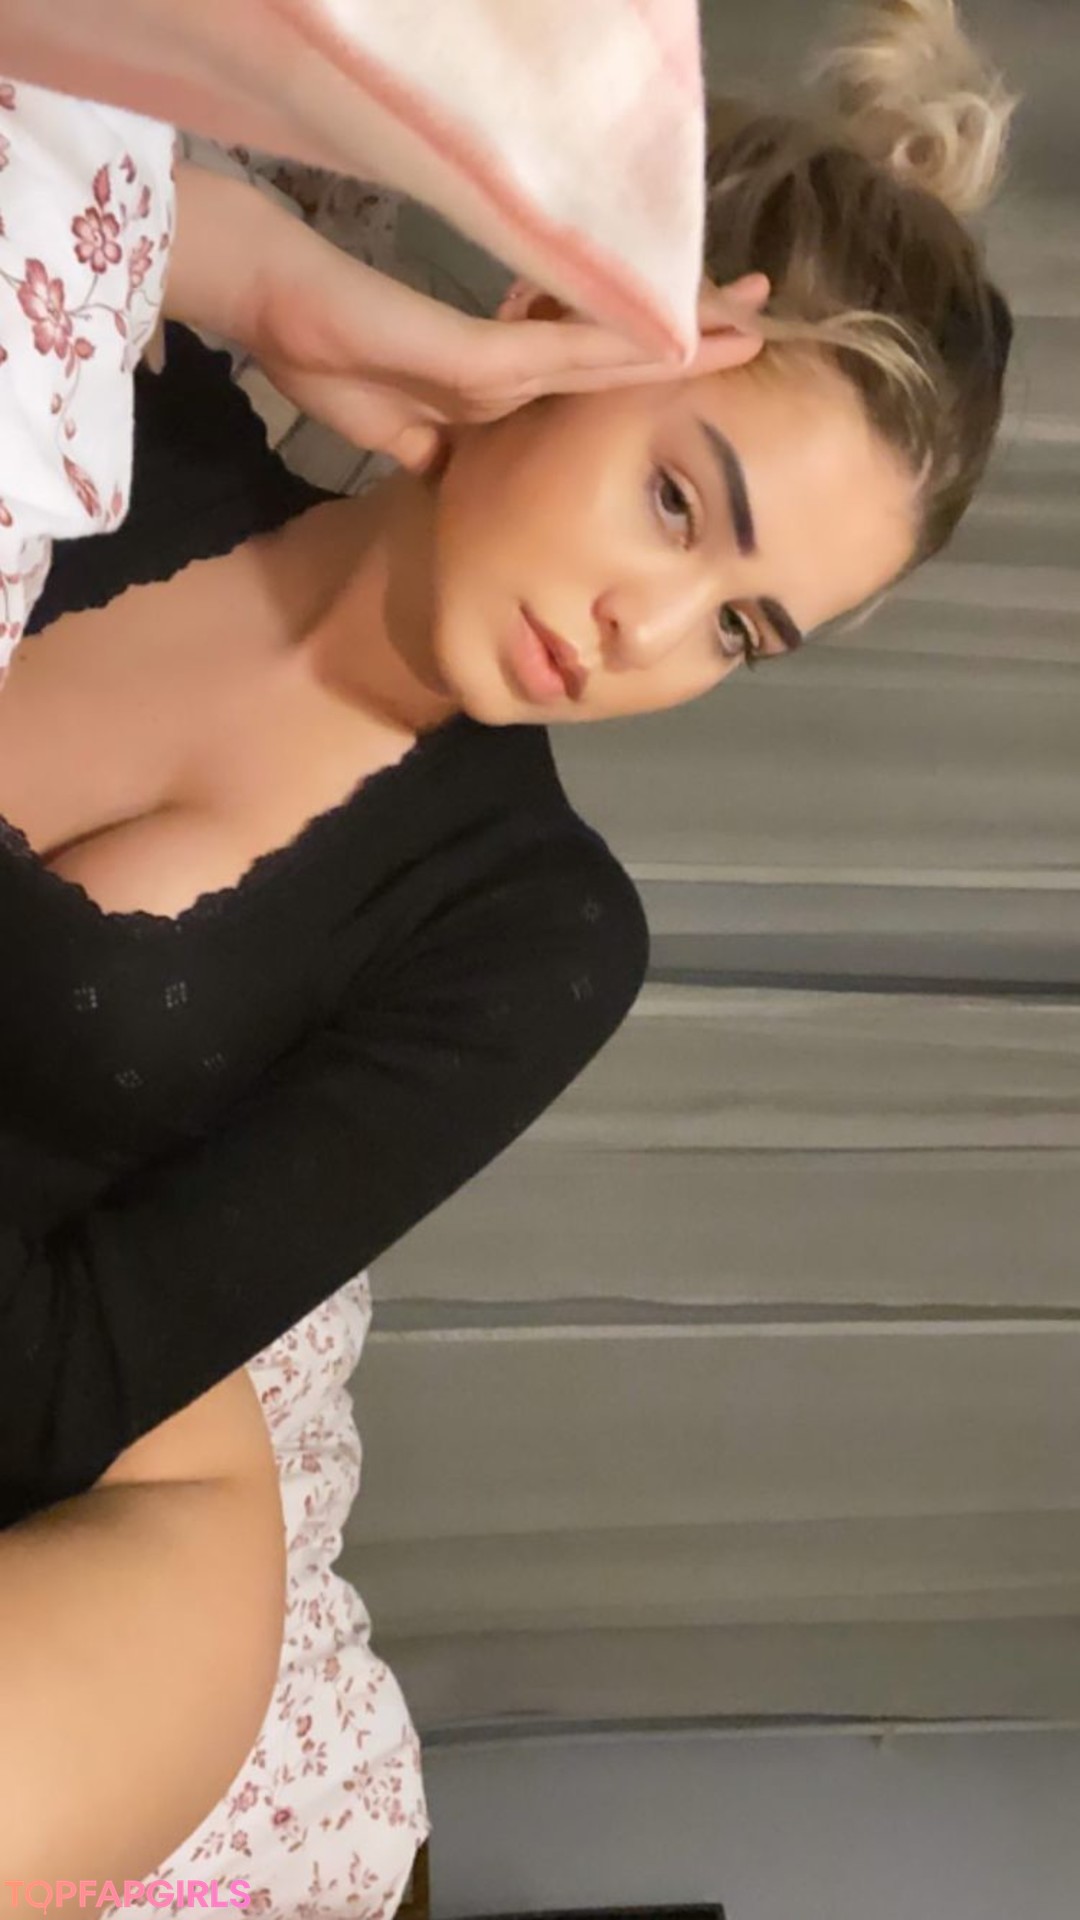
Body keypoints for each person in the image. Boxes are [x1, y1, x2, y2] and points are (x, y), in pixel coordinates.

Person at [0, 0, 1014, 1896]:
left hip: (125, 1486)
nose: (649, 632)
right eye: (678, 501)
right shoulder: (126, 390)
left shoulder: (533, 931)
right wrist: (280, 289)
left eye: (740, 632)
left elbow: (71, 1382)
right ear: (555, 320)